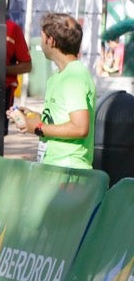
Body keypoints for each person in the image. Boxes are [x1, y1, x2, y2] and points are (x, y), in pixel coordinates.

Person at [26, 13, 95, 169]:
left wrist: (37, 128)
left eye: (42, 36)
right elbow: (58, 120)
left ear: (51, 40)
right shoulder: (59, 76)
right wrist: (33, 117)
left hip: (68, 171)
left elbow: (80, 127)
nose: (41, 42)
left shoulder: (74, 77)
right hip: (54, 166)